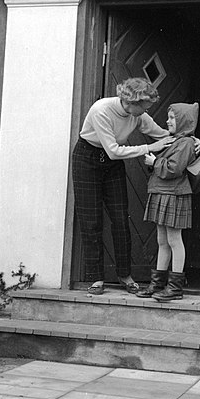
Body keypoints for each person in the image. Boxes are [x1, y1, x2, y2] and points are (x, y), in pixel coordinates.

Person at [71, 78, 176, 295]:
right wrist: (149, 147)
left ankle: (125, 275)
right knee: (91, 221)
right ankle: (95, 279)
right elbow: (113, 150)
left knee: (120, 219)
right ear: (131, 102)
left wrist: (191, 140)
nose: (147, 110)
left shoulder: (137, 114)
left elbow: (163, 135)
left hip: (112, 164)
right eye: (145, 106)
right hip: (87, 159)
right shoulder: (101, 110)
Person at [137, 102, 199, 302]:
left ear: (182, 121)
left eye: (172, 118)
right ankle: (157, 284)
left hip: (173, 194)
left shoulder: (186, 143)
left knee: (174, 240)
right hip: (162, 192)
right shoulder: (174, 140)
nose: (167, 121)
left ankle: (175, 288)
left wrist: (155, 162)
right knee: (162, 241)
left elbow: (174, 169)